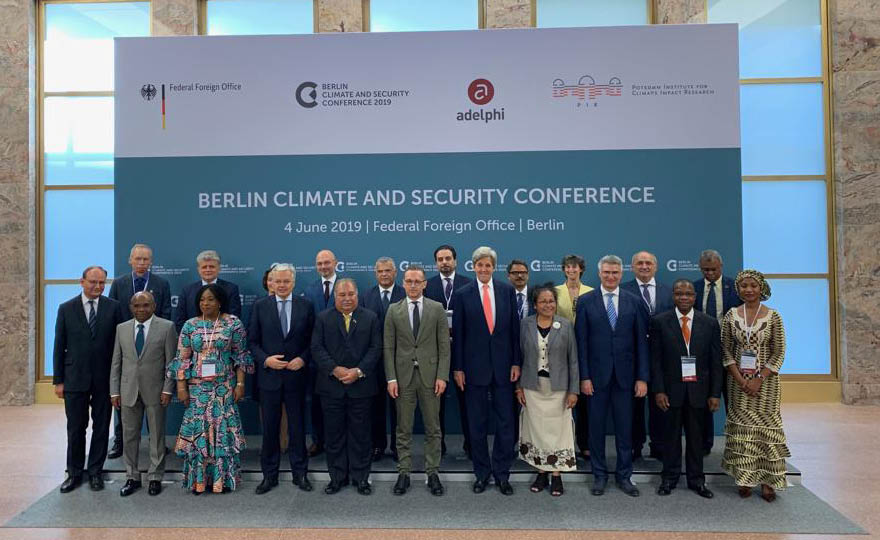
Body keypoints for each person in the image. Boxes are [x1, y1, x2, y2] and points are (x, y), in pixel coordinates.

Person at [575, 255, 648, 497]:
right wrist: (583, 377)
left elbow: (641, 344)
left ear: (622, 274)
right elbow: (581, 343)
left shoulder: (634, 302)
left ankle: (624, 476)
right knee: (595, 430)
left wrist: (642, 378)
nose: (610, 276)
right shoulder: (585, 301)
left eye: (615, 273)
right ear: (599, 274)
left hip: (626, 379)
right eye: (606, 272)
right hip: (595, 379)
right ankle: (599, 475)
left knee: (625, 430)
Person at [169, 284, 253, 494]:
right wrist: (181, 387)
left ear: (220, 301)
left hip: (224, 387)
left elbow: (240, 355)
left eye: (210, 300)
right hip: (197, 389)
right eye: (202, 300)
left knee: (221, 431)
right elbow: (182, 358)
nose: (205, 304)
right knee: (199, 432)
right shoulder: (190, 325)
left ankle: (222, 481)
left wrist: (241, 384)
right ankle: (198, 482)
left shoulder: (233, 323)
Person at [451, 246, 521, 496]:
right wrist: (458, 367)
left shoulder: (506, 291)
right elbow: (458, 335)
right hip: (473, 369)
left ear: (494, 267)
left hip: (504, 369)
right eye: (479, 265)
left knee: (506, 424)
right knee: (477, 425)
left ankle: (502, 474)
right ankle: (482, 473)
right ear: (473, 267)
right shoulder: (462, 294)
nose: (483, 269)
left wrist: (516, 362)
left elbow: (514, 331)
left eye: (488, 265)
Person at [721, 270, 790, 502]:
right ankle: (744, 477)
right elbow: (725, 350)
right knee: (743, 431)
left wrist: (760, 377)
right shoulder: (731, 315)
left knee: (765, 432)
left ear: (762, 288)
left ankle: (768, 480)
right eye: (743, 286)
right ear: (738, 290)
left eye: (753, 286)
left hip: (767, 385)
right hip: (737, 383)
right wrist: (741, 380)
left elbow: (779, 352)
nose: (748, 290)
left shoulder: (774, 317)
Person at [53, 266, 124, 493]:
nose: (98, 287)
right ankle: (74, 473)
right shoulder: (66, 309)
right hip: (75, 379)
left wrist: (118, 380)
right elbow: (58, 346)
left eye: (102, 283)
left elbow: (120, 346)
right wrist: (58, 380)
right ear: (81, 281)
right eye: (93, 282)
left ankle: (95, 472)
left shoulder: (114, 308)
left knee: (102, 427)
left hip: (104, 379)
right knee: (76, 428)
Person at [650, 280, 721, 499]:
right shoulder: (660, 322)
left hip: (699, 392)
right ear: (673, 295)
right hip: (671, 392)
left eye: (688, 294)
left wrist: (714, 393)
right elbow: (655, 361)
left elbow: (715, 361)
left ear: (695, 296)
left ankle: (696, 481)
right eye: (679, 293)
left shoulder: (708, 323)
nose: (683, 297)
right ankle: (669, 479)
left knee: (696, 440)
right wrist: (659, 390)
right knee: (670, 438)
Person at [249, 264, 315, 495]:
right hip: (269, 378)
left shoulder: (305, 306)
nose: (282, 285)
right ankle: (269, 476)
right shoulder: (260, 306)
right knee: (270, 429)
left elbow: (312, 341)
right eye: (278, 281)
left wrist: (303, 359)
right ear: (271, 282)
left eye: (286, 281)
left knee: (297, 428)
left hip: (296, 377)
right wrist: (266, 360)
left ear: (293, 283)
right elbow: (252, 342)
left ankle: (300, 474)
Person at [311, 279, 382, 495]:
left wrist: (358, 371)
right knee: (334, 435)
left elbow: (376, 348)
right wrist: (334, 369)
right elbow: (316, 347)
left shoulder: (370, 317)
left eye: (351, 294)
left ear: (357, 295)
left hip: (361, 386)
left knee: (361, 435)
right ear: (335, 296)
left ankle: (361, 478)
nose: (347, 298)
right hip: (331, 387)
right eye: (342, 295)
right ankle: (337, 478)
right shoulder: (323, 318)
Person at [384, 265, 449, 496]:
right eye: (409, 281)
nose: (412, 285)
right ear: (403, 283)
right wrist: (391, 378)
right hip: (402, 379)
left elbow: (444, 346)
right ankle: (404, 472)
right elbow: (388, 346)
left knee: (433, 428)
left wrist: (442, 376)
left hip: (431, 378)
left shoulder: (437, 309)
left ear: (424, 284)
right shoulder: (393, 310)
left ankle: (432, 472)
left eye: (417, 281)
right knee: (403, 428)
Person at [107, 243, 173, 460]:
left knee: (154, 412)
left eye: (146, 259)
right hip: (127, 345)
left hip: (152, 348)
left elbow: (165, 313)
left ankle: (158, 447)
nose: (142, 263)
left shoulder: (161, 284)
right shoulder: (119, 284)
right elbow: (113, 313)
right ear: (130, 261)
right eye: (138, 259)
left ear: (151, 261)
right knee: (125, 404)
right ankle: (119, 441)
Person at [109, 291, 177, 497]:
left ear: (154, 306)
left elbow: (171, 363)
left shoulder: (166, 327)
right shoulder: (122, 329)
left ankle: (155, 477)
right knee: (129, 436)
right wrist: (114, 391)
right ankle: (132, 476)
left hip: (156, 391)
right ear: (131, 307)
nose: (141, 310)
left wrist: (167, 388)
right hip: (128, 390)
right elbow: (116, 362)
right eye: (137, 306)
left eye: (145, 305)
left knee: (156, 435)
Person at [516, 284, 578, 497]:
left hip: (559, 388)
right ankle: (541, 472)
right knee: (538, 431)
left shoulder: (566, 325)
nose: (548, 305)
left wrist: (573, 391)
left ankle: (557, 475)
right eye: (543, 301)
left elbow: (574, 361)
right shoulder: (525, 324)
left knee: (558, 431)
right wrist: (519, 387)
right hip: (533, 386)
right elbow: (520, 358)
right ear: (535, 305)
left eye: (551, 301)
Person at [622, 250, 674, 461]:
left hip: (662, 358)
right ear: (632, 267)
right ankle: (635, 446)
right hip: (632, 356)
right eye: (640, 263)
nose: (644, 266)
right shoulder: (623, 290)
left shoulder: (668, 291)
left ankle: (659, 445)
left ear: (656, 266)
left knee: (660, 403)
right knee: (634, 405)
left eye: (648, 263)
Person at [425, 244, 473, 457]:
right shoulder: (428, 285)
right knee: (437, 403)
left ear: (455, 261)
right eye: (440, 259)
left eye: (448, 258)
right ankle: (439, 444)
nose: (444, 262)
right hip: (435, 353)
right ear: (436, 263)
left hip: (463, 352)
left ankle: (471, 443)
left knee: (468, 402)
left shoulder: (468, 284)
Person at [693, 249, 742, 455]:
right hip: (702, 355)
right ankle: (705, 445)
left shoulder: (736, 288)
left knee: (734, 401)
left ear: (721, 267)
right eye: (705, 270)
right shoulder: (694, 288)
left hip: (731, 353)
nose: (709, 273)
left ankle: (736, 444)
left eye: (713, 269)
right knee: (703, 403)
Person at [359, 257, 405, 461]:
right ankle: (377, 446)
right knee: (375, 407)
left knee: (400, 408)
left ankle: (398, 447)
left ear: (395, 273)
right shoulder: (366, 296)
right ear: (375, 273)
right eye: (380, 271)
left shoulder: (405, 294)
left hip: (400, 360)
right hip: (374, 362)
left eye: (388, 271)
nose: (384, 274)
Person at [553, 254, 593, 460]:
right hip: (560, 350)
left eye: (575, 267)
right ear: (563, 270)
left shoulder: (591, 292)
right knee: (561, 400)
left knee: (584, 402)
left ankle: (585, 443)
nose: (571, 270)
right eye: (568, 267)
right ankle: (563, 444)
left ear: (581, 270)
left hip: (586, 349)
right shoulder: (556, 292)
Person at [302, 248, 340, 457]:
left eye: (327, 262)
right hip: (316, 359)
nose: (323, 267)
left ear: (335, 263)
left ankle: (338, 441)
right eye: (320, 263)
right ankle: (318, 441)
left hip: (342, 357)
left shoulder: (346, 287)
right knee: (316, 404)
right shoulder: (310, 290)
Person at [173, 250, 242, 332]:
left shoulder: (231, 289)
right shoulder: (187, 291)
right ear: (198, 269)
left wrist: (218, 337)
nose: (208, 270)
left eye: (212, 266)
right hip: (194, 340)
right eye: (204, 267)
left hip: (223, 340)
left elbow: (234, 319)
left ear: (219, 268)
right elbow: (180, 320)